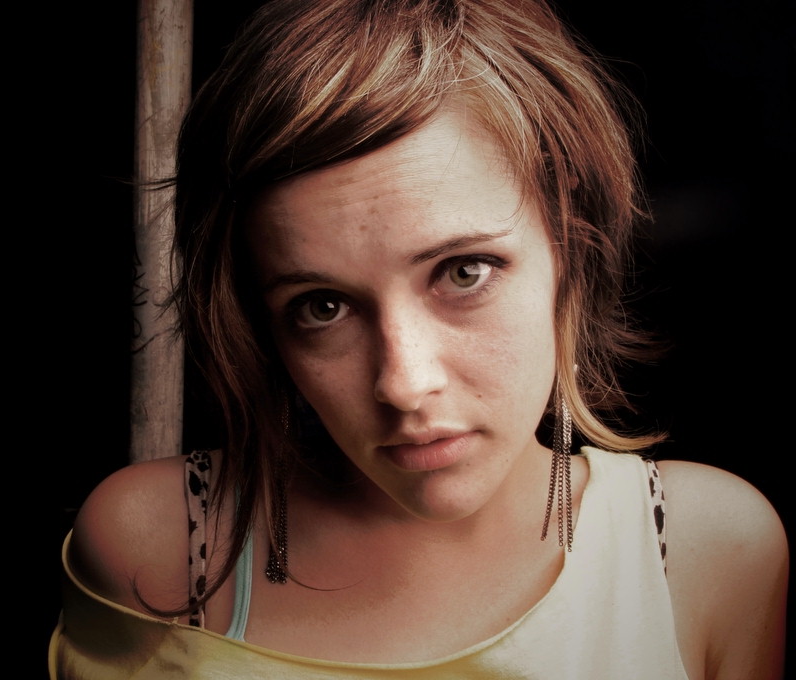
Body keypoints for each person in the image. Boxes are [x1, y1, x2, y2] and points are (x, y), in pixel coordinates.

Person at [49, 0, 788, 677]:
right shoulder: (160, 549)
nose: (403, 384)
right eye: (323, 307)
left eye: (464, 272)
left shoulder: (699, 553)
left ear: (569, 237)